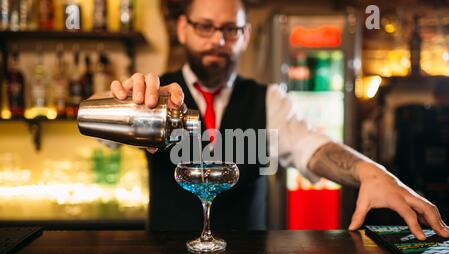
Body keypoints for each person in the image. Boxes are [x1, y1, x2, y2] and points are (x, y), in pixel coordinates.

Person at [106, 0, 449, 240]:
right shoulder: (153, 98)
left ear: (246, 35)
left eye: (230, 29)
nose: (217, 40)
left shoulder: (268, 99)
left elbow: (313, 146)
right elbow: (100, 133)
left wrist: (369, 171)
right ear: (182, 29)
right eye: (205, 27)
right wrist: (123, 103)